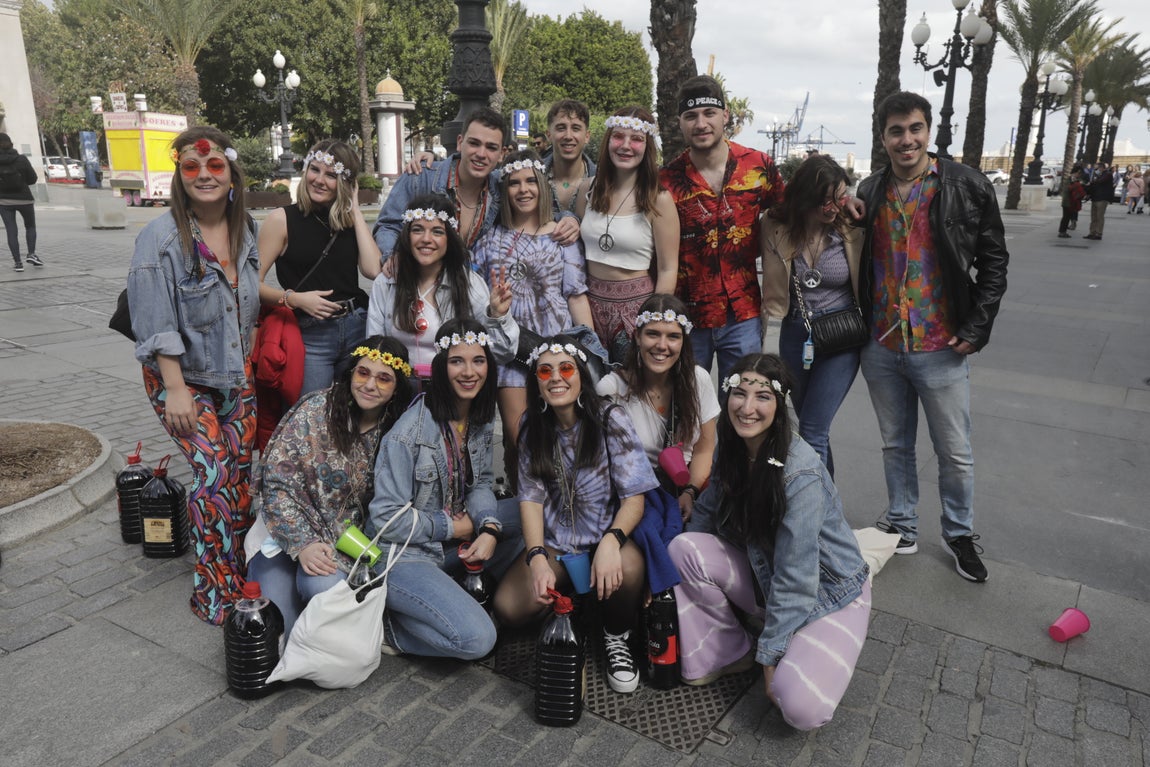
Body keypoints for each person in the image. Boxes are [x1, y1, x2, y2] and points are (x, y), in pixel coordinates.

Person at [668, 354, 870, 730]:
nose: (747, 408)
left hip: (827, 595)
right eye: (739, 393)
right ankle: (732, 650)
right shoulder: (733, 449)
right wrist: (667, 584)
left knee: (800, 709)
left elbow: (796, 577)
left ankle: (781, 641)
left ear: (779, 406)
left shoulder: (799, 473)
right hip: (768, 580)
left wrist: (770, 658)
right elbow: (704, 518)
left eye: (762, 397)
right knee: (683, 549)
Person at [856, 91, 1009, 583]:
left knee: (955, 451)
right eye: (896, 131)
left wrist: (977, 326)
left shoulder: (965, 184)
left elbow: (994, 262)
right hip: (882, 343)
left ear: (929, 131)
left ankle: (958, 533)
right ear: (883, 137)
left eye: (915, 128)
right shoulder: (870, 190)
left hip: (942, 345)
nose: (907, 139)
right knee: (895, 445)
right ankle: (902, 525)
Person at [127, 126, 260, 625]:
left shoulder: (247, 228)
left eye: (214, 165)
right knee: (214, 475)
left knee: (239, 477)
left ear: (232, 174)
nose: (204, 175)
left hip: (235, 372)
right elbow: (155, 323)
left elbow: (245, 297)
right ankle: (213, 591)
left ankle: (239, 572)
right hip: (181, 378)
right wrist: (176, 389)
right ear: (179, 176)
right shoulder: (159, 238)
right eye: (191, 167)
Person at [494, 335, 659, 694]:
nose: (556, 377)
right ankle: (570, 600)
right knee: (508, 608)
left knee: (629, 567)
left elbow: (634, 498)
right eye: (545, 371)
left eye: (566, 368)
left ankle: (616, 634)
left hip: (605, 539)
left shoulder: (610, 418)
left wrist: (612, 542)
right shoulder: (531, 425)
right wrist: (537, 556)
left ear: (582, 376)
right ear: (536, 382)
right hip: (558, 544)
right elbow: (531, 499)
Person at [367, 318, 522, 659]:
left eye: (478, 360)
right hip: (404, 555)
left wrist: (489, 527)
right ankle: (386, 627)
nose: (469, 372)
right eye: (457, 361)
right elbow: (385, 521)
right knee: (479, 640)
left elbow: (481, 483)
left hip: (447, 544)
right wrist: (452, 527)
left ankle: (449, 595)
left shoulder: (478, 416)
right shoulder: (408, 434)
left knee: (527, 515)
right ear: (440, 367)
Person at [246, 336, 414, 637]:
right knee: (277, 630)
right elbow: (276, 483)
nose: (370, 385)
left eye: (384, 378)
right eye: (363, 373)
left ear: (397, 387)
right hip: (285, 531)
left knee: (324, 589)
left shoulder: (397, 431)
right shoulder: (316, 409)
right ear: (351, 373)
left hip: (343, 543)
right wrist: (303, 544)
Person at [471, 151, 596, 486]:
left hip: (555, 350)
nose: (523, 189)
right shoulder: (489, 240)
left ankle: (563, 504)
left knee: (562, 437)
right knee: (521, 442)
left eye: (530, 181)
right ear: (505, 189)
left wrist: (589, 348)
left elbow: (576, 295)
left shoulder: (563, 237)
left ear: (542, 185)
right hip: (510, 353)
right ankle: (521, 504)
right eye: (514, 183)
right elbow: (474, 299)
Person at [660, 76, 785, 382]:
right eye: (691, 116)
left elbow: (789, 213)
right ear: (680, 123)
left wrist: (843, 201)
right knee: (687, 402)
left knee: (742, 398)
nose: (701, 124)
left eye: (709, 113)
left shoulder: (758, 166)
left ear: (725, 115)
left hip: (743, 313)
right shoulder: (666, 180)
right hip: (686, 316)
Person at [761, 155, 864, 475]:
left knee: (813, 429)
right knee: (810, 426)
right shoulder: (775, 226)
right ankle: (827, 499)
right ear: (806, 197)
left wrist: (849, 201)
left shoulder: (851, 226)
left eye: (840, 197)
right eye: (825, 201)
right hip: (797, 334)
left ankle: (812, 503)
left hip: (841, 334)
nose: (833, 208)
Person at [258, 140, 381, 395]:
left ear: (346, 183)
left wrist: (355, 210)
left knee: (354, 410)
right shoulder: (281, 219)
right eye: (314, 170)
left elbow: (373, 271)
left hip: (358, 325)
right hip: (310, 333)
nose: (319, 180)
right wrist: (294, 299)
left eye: (331, 175)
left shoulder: (348, 221)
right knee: (311, 412)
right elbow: (251, 285)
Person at [374, 107, 579, 257]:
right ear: (460, 142)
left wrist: (569, 219)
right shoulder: (421, 177)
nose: (481, 154)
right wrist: (393, 257)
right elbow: (388, 226)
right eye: (474, 143)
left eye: (491, 147)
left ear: (501, 154)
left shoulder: (502, 185)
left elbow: (541, 209)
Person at [596, 294, 719, 521]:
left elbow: (704, 448)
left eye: (673, 336)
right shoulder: (612, 389)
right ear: (637, 337)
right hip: (634, 494)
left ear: (683, 341)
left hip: (687, 485)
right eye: (653, 334)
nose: (662, 346)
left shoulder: (698, 379)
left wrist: (690, 492)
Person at [366, 193, 518, 372]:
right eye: (417, 230)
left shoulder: (469, 283)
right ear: (407, 235)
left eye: (437, 231)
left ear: (449, 238)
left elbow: (502, 353)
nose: (426, 239)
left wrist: (497, 316)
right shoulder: (386, 282)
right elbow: (374, 349)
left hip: (452, 386)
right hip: (399, 385)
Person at [577, 105, 679, 361]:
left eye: (636, 139)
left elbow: (668, 269)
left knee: (631, 381)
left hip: (635, 310)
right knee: (592, 381)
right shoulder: (587, 190)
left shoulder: (659, 199)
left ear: (647, 147)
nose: (625, 146)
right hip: (586, 308)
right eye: (618, 136)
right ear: (608, 140)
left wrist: (654, 324)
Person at [542, 99, 596, 217]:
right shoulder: (532, 176)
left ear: (587, 136)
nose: (568, 136)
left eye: (576, 128)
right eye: (561, 128)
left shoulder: (603, 180)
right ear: (549, 135)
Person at [0, 133, 41, 272]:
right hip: (25, 199)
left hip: (4, 202)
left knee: (11, 230)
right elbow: (33, 179)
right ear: (11, 144)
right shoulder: (21, 159)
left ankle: (18, 263)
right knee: (30, 226)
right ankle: (31, 254)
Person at [1085, 163, 1114, 240]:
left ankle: (1098, 233)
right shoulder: (1098, 175)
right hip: (1095, 198)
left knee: (1099, 216)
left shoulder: (1107, 174)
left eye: (1097, 168)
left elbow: (1100, 181)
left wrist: (1092, 181)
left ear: (1102, 168)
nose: (1096, 170)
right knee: (1093, 217)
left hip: (1102, 198)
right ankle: (1092, 232)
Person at [1057, 167, 1087, 238]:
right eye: (1078, 173)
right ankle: (1062, 232)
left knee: (1066, 217)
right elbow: (1068, 189)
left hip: (1069, 201)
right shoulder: (1070, 179)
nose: (1079, 175)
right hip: (1068, 201)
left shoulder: (1072, 179)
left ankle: (1062, 231)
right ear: (1076, 172)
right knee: (1066, 217)